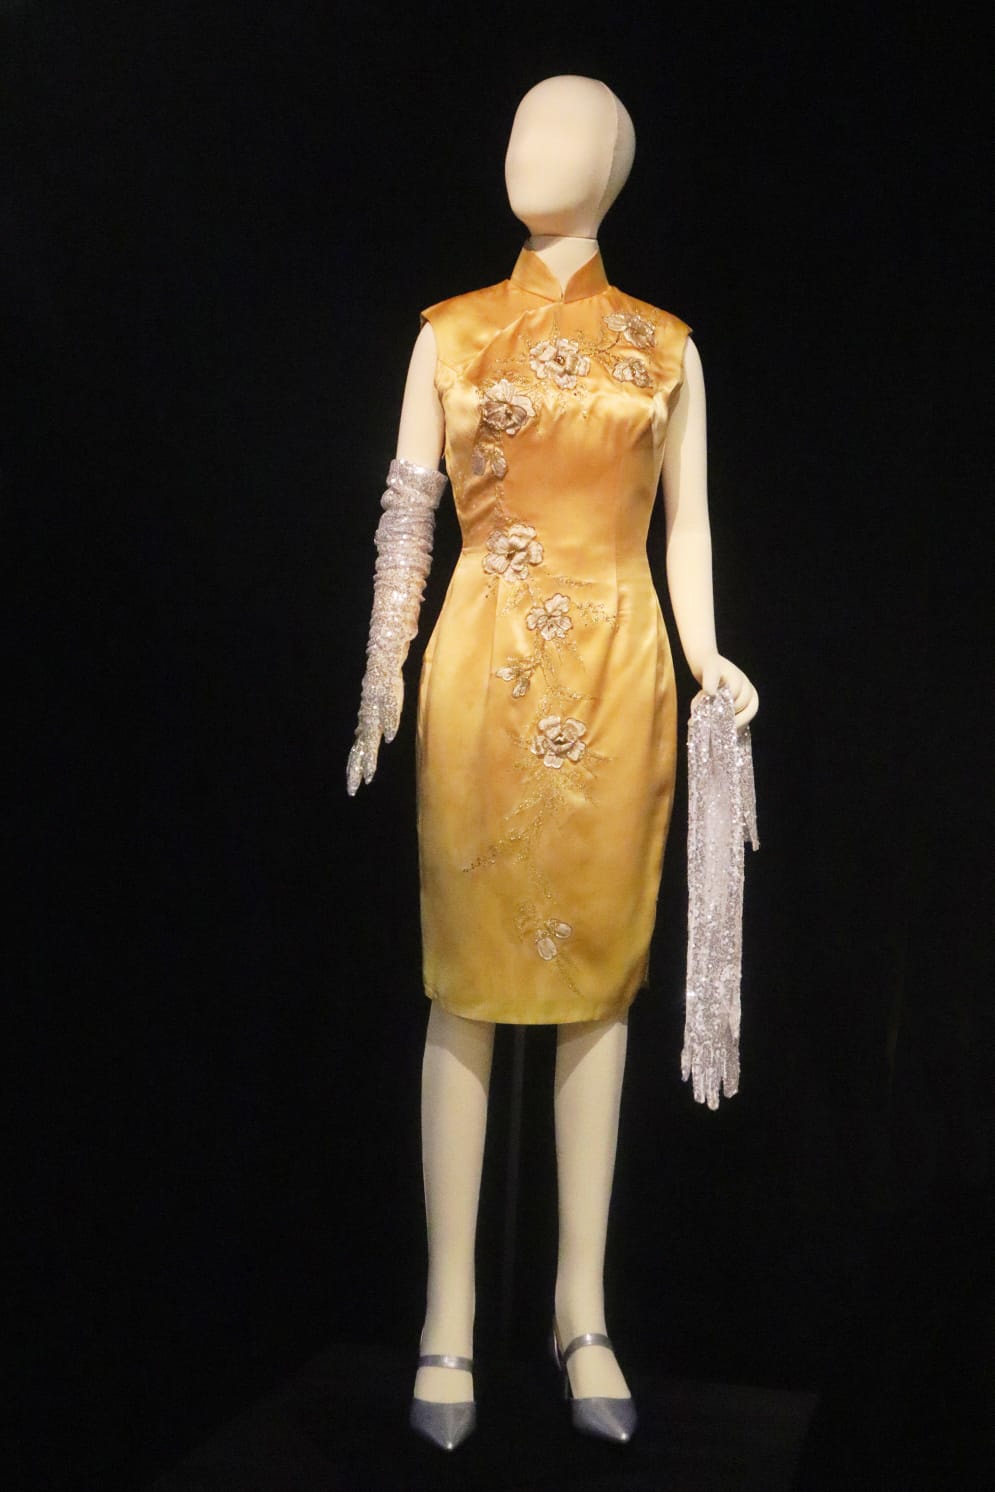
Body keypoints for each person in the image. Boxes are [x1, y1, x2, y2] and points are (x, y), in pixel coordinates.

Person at [347, 74, 759, 1450]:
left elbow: (686, 528)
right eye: (522, 125)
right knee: (462, 981)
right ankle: (448, 1314)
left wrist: (711, 654)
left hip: (622, 668)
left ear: (616, 164)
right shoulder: (452, 332)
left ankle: (583, 1306)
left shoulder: (666, 350)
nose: (533, 150)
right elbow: (407, 513)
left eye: (566, 129)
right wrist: (382, 671)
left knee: (600, 984)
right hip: (481, 664)